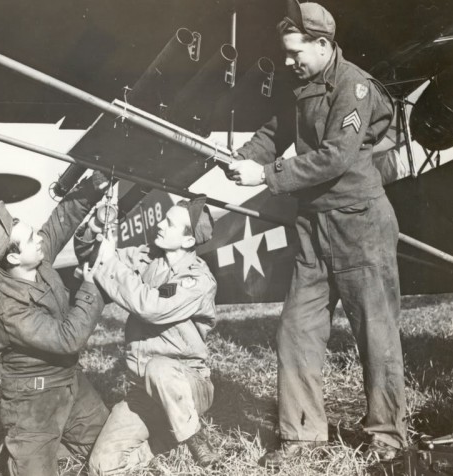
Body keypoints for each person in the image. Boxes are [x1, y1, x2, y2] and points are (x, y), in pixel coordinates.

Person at [226, 1, 407, 468]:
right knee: (296, 331)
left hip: (358, 224)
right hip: (313, 226)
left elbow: (335, 157)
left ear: (323, 45)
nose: (289, 62)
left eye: (296, 53)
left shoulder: (355, 87)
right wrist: (239, 157)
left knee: (376, 334)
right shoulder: (302, 85)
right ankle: (303, 438)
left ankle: (387, 439)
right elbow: (274, 132)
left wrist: (265, 175)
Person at [0, 173, 110, 476]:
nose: (40, 238)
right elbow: (69, 338)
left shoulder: (35, 259)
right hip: (33, 401)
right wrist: (92, 287)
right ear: (13, 258)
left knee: (109, 445)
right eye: (30, 238)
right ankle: (21, 451)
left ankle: (50, 443)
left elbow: (60, 221)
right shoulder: (11, 311)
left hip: (69, 382)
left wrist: (91, 188)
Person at [84, 196, 220, 475]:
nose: (160, 224)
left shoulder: (198, 280)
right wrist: (98, 231)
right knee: (102, 466)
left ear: (188, 242)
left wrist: (111, 262)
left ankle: (194, 436)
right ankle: (168, 439)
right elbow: (97, 258)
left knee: (158, 368)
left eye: (170, 223)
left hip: (187, 385)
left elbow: (152, 307)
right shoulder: (147, 256)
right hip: (144, 391)